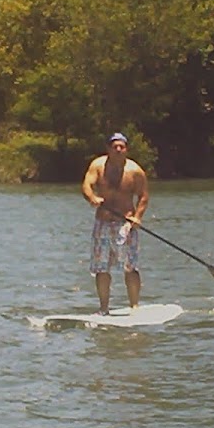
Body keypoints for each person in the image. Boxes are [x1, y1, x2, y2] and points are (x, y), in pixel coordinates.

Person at [81, 132, 150, 315]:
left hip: (125, 225)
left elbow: (143, 196)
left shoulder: (135, 171)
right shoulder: (97, 166)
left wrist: (138, 217)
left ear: (126, 149)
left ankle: (134, 307)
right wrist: (92, 197)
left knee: (130, 267)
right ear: (108, 149)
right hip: (102, 223)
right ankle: (104, 309)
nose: (118, 149)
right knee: (101, 268)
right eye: (114, 146)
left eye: (122, 146)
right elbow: (86, 185)